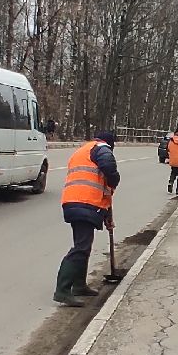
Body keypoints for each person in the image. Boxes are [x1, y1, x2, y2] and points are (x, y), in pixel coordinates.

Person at [55, 130, 120, 307]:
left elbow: (104, 192)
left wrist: (107, 216)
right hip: (84, 203)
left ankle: (79, 285)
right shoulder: (102, 148)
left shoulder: (83, 151)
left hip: (75, 202)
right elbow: (108, 167)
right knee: (81, 247)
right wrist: (115, 178)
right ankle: (62, 290)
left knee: (84, 245)